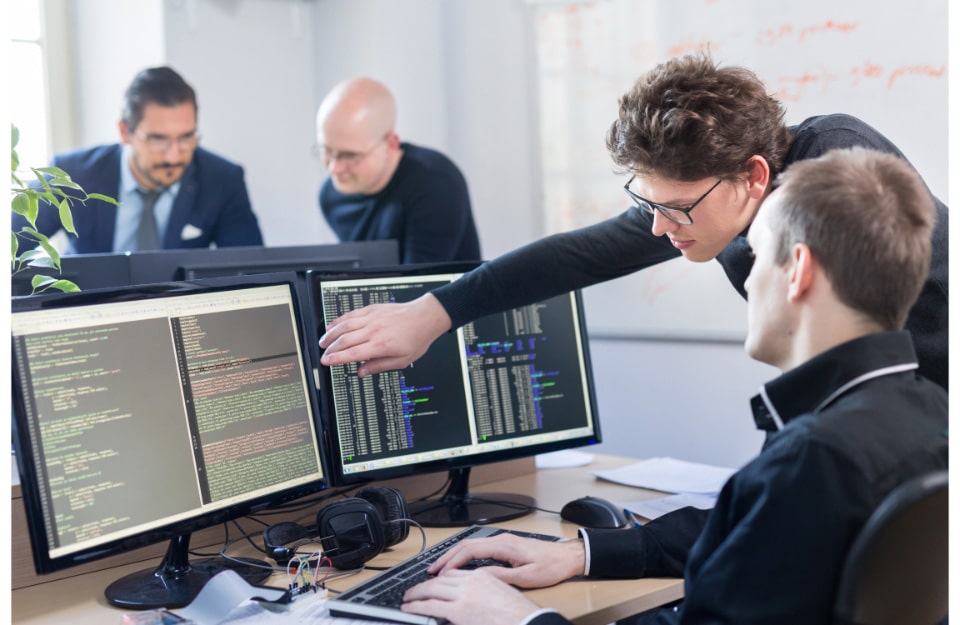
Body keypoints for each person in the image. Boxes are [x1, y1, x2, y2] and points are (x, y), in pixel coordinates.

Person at [398, 147, 949, 625]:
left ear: (798, 270)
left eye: (756, 254)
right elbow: (759, 536)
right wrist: (586, 552)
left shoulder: (812, 462)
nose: (748, 278)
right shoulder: (930, 416)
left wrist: (521, 619)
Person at [317, 54, 948, 390]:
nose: (657, 229)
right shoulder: (711, 202)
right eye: (651, 204)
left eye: (675, 210)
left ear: (754, 178)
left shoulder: (834, 174)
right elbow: (582, 254)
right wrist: (434, 313)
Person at [14, 66, 263, 253]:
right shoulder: (71, 174)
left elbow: (252, 273)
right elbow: (10, 248)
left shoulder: (222, 179)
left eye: (186, 137)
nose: (174, 155)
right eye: (158, 139)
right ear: (125, 132)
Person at [315, 77, 481, 264]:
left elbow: (422, 285)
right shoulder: (331, 196)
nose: (334, 168)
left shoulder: (436, 183)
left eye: (350, 156)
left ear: (390, 144)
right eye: (326, 151)